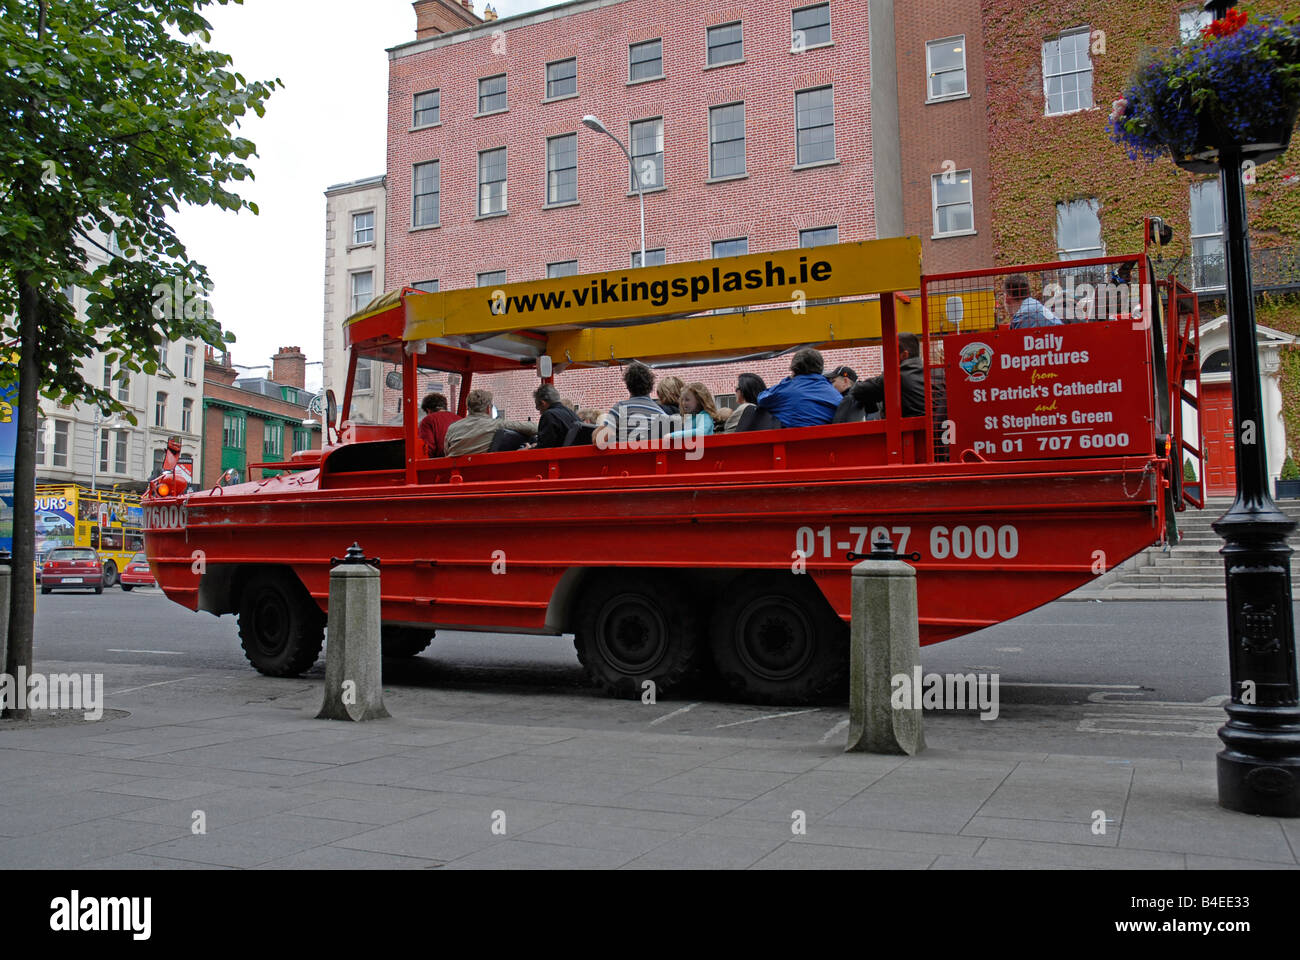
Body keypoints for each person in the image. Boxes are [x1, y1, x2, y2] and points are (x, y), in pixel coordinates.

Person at [850, 332, 936, 419]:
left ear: (904, 355)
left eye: (891, 354)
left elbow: (857, 391)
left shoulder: (896, 378)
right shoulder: (935, 374)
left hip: (905, 430)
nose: (888, 359)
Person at [755, 347, 842, 427]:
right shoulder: (835, 395)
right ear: (820, 367)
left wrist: (788, 380)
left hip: (792, 442)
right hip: (826, 442)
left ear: (794, 368)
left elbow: (762, 399)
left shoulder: (786, 390)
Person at [444, 388, 537, 456]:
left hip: (455, 476)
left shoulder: (452, 428)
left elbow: (446, 451)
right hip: (483, 473)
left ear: (467, 408)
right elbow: (533, 428)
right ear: (488, 409)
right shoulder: (496, 424)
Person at [594, 362, 668, 447]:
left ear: (628, 385)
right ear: (651, 386)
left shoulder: (620, 409)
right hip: (652, 459)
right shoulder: (662, 414)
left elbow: (599, 439)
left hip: (624, 459)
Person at [533, 383, 578, 449]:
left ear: (543, 403)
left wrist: (528, 449)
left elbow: (544, 447)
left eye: (538, 407)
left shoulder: (549, 415)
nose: (540, 413)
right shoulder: (571, 413)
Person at [417, 392, 461, 458]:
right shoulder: (459, 418)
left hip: (441, 463)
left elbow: (427, 449)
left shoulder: (428, 420)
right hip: (461, 461)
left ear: (428, 410)